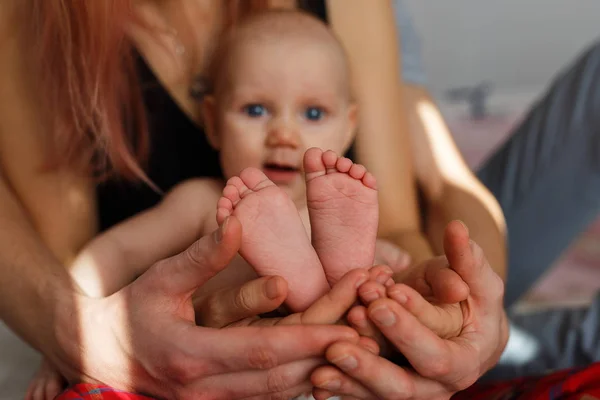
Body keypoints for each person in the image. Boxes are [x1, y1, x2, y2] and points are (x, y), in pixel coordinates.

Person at [0, 0, 508, 399]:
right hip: (225, 358)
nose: (282, 134)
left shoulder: (333, 210)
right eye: (256, 109)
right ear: (213, 121)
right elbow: (112, 254)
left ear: (349, 125)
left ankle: (321, 276)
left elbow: (404, 261)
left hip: (329, 369)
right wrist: (71, 333)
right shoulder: (201, 200)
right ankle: (297, 270)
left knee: (368, 285)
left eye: (312, 115)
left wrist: (421, 298)